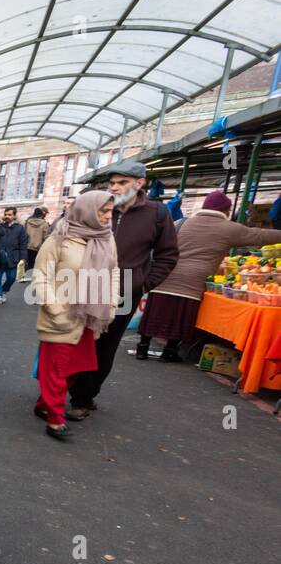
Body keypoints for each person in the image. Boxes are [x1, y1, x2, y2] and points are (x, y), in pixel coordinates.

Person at [67, 159, 179, 416]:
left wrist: (144, 283)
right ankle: (65, 389)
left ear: (140, 184)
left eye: (122, 182)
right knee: (77, 340)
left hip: (124, 293)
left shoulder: (158, 214)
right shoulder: (101, 208)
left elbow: (168, 255)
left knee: (104, 345)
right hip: (87, 287)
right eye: (112, 183)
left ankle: (83, 399)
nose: (114, 188)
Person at [137, 189, 281, 361]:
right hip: (193, 280)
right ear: (226, 211)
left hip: (165, 276)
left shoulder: (180, 223)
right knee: (180, 314)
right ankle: (170, 351)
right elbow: (260, 236)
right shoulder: (230, 228)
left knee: (155, 312)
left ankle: (142, 348)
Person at [32, 191, 120, 440]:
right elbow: (41, 277)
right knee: (57, 370)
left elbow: (113, 273)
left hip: (89, 318)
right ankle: (55, 419)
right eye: (102, 211)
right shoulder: (59, 238)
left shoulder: (107, 239)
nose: (107, 216)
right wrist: (54, 309)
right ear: (87, 209)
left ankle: (43, 404)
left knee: (75, 369)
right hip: (61, 316)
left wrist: (111, 305)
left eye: (110, 211)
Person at [0, 207, 26, 303]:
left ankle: (4, 291)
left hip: (13, 257)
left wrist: (23, 257)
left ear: (14, 216)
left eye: (10, 214)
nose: (7, 216)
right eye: (6, 214)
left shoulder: (20, 228)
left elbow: (23, 243)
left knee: (11, 278)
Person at [24, 206, 50, 271]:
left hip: (27, 246)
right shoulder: (44, 224)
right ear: (42, 214)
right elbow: (46, 237)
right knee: (34, 265)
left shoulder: (27, 222)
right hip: (37, 248)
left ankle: (24, 277)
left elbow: (24, 233)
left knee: (26, 264)